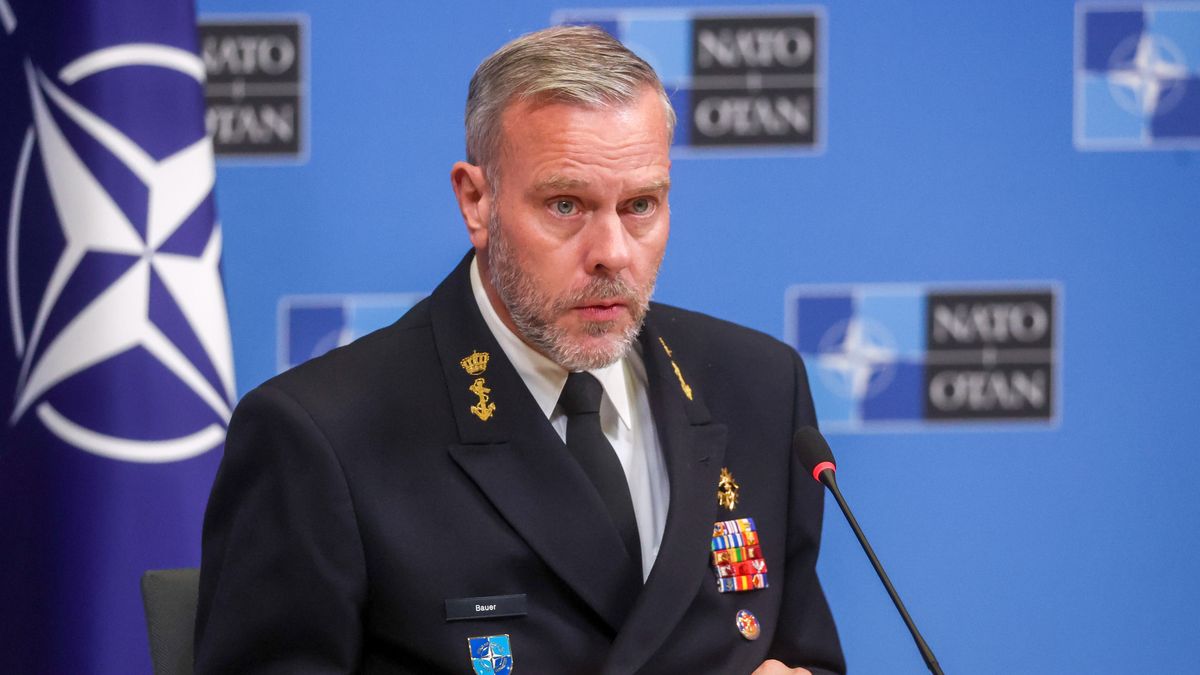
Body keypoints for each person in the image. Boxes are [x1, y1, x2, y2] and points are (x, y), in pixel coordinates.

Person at [195, 25, 845, 675]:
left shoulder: (759, 385)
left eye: (641, 205)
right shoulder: (320, 436)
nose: (612, 253)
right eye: (566, 204)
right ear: (477, 202)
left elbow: (807, 655)